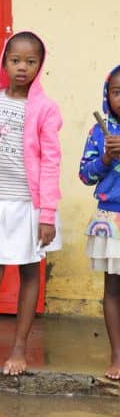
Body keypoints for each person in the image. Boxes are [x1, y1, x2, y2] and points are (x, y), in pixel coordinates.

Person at [0, 32, 62, 396]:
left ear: (40, 66)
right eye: (16, 60)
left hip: (30, 204)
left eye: (31, 61)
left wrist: (47, 213)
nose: (23, 67)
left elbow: (51, 161)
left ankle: (19, 346)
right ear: (4, 62)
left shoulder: (46, 108)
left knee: (29, 270)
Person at [78, 65, 120, 380]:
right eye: (117, 92)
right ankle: (117, 356)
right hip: (112, 219)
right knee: (114, 290)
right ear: (107, 96)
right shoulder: (100, 132)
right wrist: (105, 159)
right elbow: (85, 175)